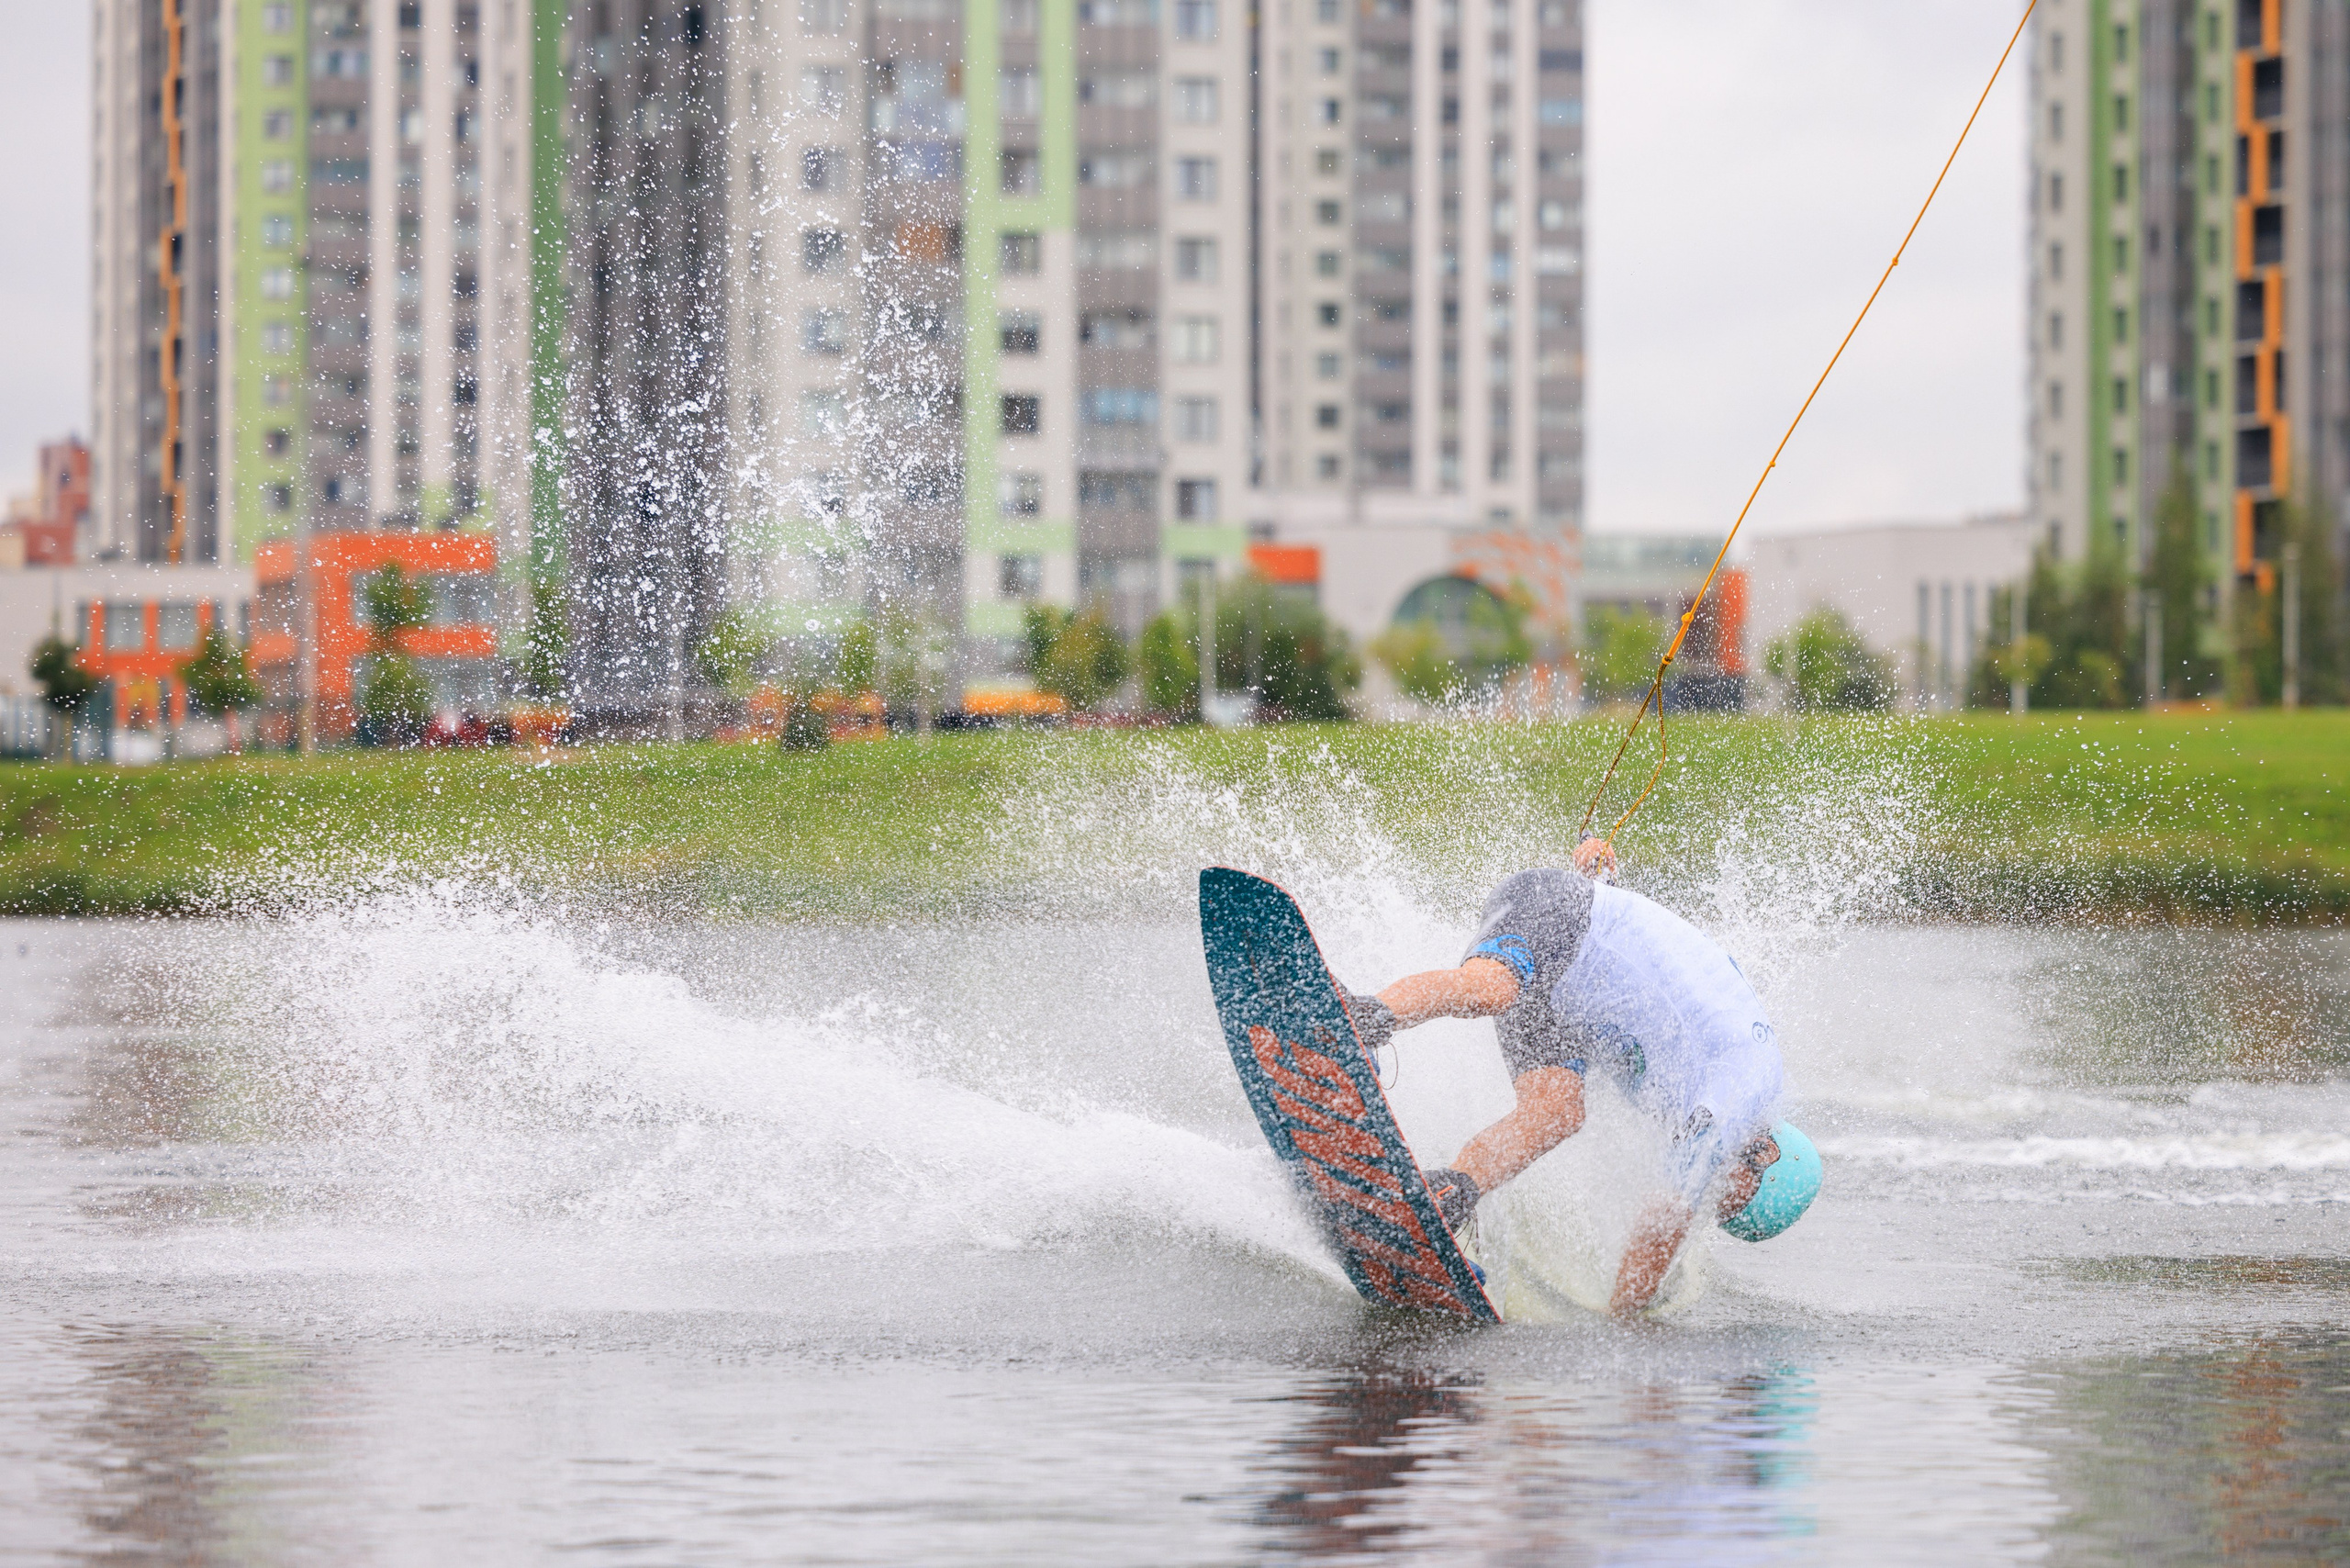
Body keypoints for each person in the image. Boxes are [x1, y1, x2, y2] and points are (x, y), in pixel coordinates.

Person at [1340, 840, 1821, 1316]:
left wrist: (1607, 881)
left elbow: (1666, 977)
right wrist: (1627, 1324)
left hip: (1566, 1003)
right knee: (1494, 988)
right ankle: (1363, 1018)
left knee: (1558, 1112)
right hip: (1560, 914)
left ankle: (1446, 1196)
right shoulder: (1744, 1087)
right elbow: (1665, 1217)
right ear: (1765, 1156)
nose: (1713, 1203)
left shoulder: (1709, 1101)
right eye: (1731, 1203)